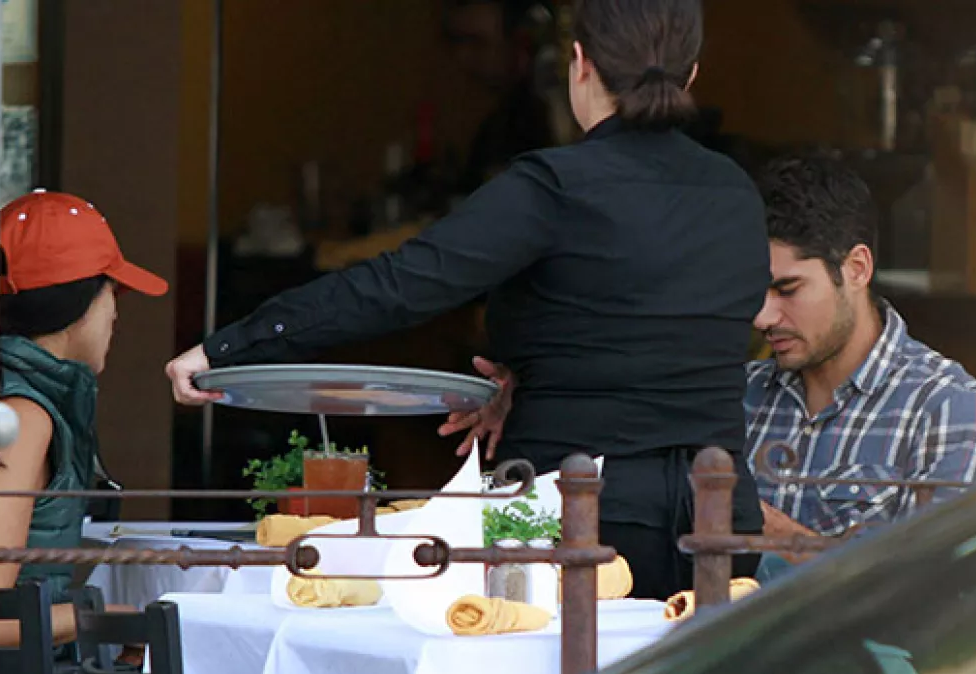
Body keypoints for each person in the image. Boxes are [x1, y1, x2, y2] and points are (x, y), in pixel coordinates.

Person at [166, 0, 770, 601]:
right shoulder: (737, 194)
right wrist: (539, 375)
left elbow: (400, 285)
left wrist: (229, 347)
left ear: (580, 63)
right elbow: (675, 331)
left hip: (580, 515)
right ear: (690, 74)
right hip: (719, 517)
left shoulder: (554, 186)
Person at [745, 154, 976, 560]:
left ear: (856, 268)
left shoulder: (949, 411)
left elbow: (943, 590)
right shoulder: (739, 394)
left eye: (788, 289)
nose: (763, 317)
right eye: (755, 291)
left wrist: (780, 538)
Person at [0, 190, 168, 647]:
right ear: (77, 304)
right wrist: (108, 618)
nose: (116, 313)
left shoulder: (11, 393)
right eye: (114, 292)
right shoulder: (22, 417)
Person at [446, 0, 558, 193]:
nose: (462, 56)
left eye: (477, 42)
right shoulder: (495, 127)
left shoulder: (547, 122)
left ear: (520, 43)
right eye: (457, 42)